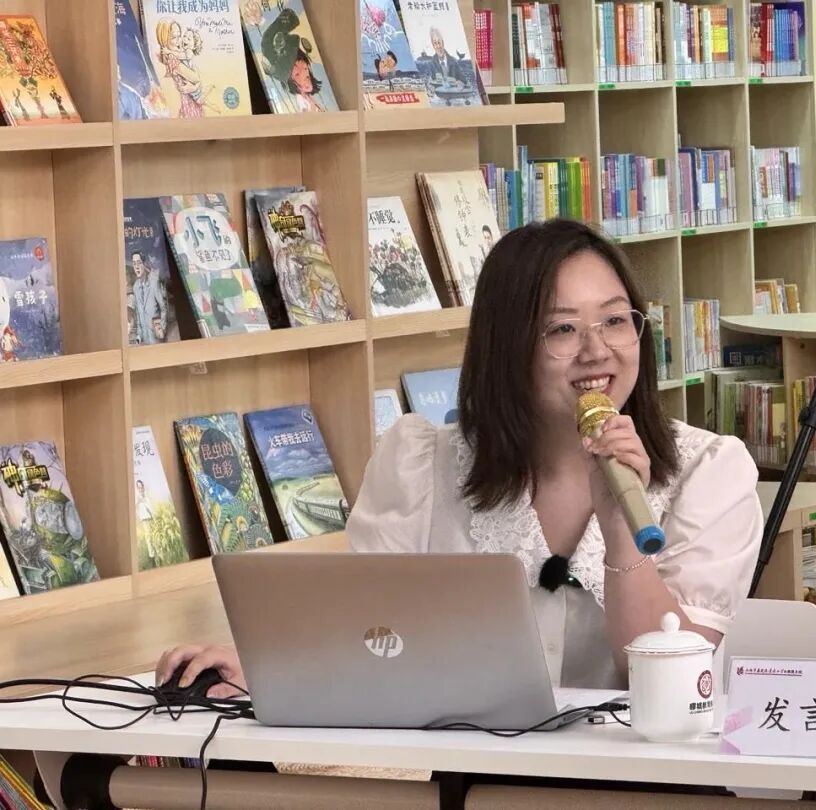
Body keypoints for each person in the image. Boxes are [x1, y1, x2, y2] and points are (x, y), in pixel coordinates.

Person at [155, 218, 764, 697]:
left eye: (615, 321)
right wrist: (262, 667)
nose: (597, 350)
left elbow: (666, 683)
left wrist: (621, 532)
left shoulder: (709, 472)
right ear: (507, 347)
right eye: (562, 329)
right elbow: (368, 633)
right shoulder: (423, 463)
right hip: (467, 772)